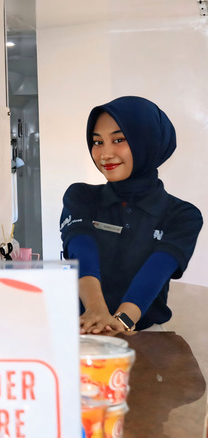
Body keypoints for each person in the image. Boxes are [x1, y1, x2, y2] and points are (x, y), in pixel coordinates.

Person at [59, 96, 202, 334]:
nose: (105, 154)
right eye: (97, 142)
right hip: (84, 329)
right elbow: (82, 251)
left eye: (118, 140)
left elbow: (156, 271)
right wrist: (96, 312)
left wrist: (121, 321)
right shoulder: (80, 196)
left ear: (148, 141)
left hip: (145, 334)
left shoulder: (183, 215)